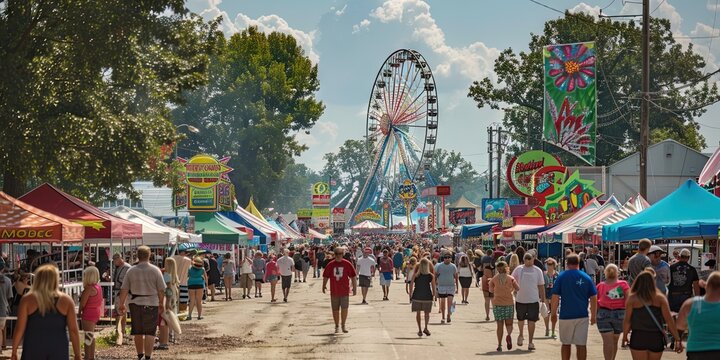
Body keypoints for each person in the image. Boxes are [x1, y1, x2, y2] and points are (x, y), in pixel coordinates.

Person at [12, 264, 81, 360]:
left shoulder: (27, 299)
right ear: (56, 280)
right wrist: (78, 354)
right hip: (58, 348)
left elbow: (19, 328)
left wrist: (14, 350)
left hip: (33, 347)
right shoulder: (66, 301)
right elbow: (73, 330)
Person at [117, 246, 166, 360]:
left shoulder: (131, 270)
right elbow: (161, 290)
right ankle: (148, 356)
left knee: (137, 330)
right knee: (150, 331)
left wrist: (121, 303)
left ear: (137, 256)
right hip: (152, 302)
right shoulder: (155, 270)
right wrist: (161, 303)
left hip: (135, 303)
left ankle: (140, 355)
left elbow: (124, 289)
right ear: (149, 255)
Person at [623, 271, 682, 359]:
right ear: (653, 282)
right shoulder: (660, 298)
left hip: (638, 336)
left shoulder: (632, 298)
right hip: (656, 337)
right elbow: (669, 320)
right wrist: (677, 338)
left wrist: (625, 336)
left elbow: (627, 320)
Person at [551, 254, 598, 360]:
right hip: (582, 315)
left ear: (567, 264)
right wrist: (593, 315)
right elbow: (594, 297)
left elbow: (555, 297)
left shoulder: (561, 277)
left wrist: (553, 313)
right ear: (579, 263)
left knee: (566, 344)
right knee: (581, 344)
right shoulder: (586, 277)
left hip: (565, 315)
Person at [676, 271, 720, 359]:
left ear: (707, 286)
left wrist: (678, 341)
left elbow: (680, 326)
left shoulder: (690, 304)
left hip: (696, 351)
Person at [511, 252, 545, 350]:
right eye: (527, 258)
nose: (528, 261)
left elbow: (541, 286)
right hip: (520, 299)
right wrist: (513, 290)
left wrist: (543, 299)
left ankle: (531, 342)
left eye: (530, 259)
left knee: (532, 321)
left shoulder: (538, 270)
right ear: (524, 259)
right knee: (520, 319)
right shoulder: (519, 269)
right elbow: (512, 280)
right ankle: (521, 335)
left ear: (533, 259)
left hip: (533, 300)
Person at [596, 264, 630, 360]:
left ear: (605, 273)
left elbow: (595, 301)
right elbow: (628, 300)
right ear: (617, 273)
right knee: (614, 341)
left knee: (607, 342)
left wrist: (595, 315)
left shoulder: (600, 286)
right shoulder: (623, 284)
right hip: (620, 315)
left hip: (603, 314)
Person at [322, 247, 357, 333]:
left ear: (343, 254)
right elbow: (326, 276)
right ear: (334, 255)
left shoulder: (347, 264)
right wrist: (323, 285)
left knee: (345, 309)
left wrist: (355, 288)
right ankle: (337, 325)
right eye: (337, 254)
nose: (338, 256)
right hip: (334, 291)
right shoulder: (330, 264)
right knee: (335, 310)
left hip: (345, 291)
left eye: (340, 254)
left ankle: (343, 325)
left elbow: (353, 276)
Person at [490, 261, 520, 352]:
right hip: (509, 303)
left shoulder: (494, 279)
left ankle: (499, 344)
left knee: (499, 325)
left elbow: (491, 290)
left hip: (497, 303)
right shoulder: (511, 278)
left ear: (498, 269)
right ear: (506, 268)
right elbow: (518, 288)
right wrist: (511, 290)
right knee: (509, 324)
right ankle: (509, 335)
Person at [79, 266, 103, 360]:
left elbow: (82, 303)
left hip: (88, 312)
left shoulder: (88, 288)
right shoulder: (98, 287)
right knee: (91, 335)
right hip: (96, 311)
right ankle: (91, 356)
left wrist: (79, 311)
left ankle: (87, 356)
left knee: (88, 336)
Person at [668, 248, 700, 312]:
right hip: (686, 296)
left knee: (674, 316)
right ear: (688, 258)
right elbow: (696, 286)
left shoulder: (671, 268)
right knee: (685, 317)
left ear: (679, 256)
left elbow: (667, 281)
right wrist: (698, 301)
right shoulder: (692, 269)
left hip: (673, 295)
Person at [410, 258, 436, 337]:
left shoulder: (416, 275)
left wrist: (410, 294)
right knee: (426, 313)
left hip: (417, 295)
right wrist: (434, 295)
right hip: (427, 296)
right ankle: (426, 327)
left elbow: (411, 285)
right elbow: (433, 286)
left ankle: (420, 330)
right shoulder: (431, 276)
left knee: (418, 313)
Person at [157, 257, 179, 351]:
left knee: (166, 318)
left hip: (168, 297)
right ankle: (172, 336)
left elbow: (167, 289)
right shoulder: (174, 275)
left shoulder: (166, 274)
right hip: (174, 295)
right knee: (172, 315)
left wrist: (167, 302)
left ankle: (168, 336)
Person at [110, 253, 131, 338]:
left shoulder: (127, 267)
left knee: (120, 312)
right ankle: (122, 331)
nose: (114, 263)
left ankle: (119, 332)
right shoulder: (118, 267)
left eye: (115, 260)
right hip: (119, 291)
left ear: (118, 259)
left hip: (122, 292)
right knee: (122, 312)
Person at [434, 253, 459, 324]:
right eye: (446, 257)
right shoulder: (439, 266)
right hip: (441, 286)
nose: (447, 259)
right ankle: (443, 317)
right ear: (443, 258)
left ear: (451, 258)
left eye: (449, 257)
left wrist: (457, 287)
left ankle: (449, 315)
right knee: (442, 302)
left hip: (451, 286)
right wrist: (435, 286)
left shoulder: (453, 266)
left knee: (450, 302)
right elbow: (435, 276)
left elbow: (456, 277)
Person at [543, 257, 559, 338]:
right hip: (546, 294)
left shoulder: (557, 274)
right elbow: (541, 285)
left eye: (550, 264)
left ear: (554, 265)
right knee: (546, 313)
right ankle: (547, 329)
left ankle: (553, 331)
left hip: (554, 294)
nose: (548, 266)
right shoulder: (544, 274)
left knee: (554, 313)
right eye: (547, 264)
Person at [481, 249, 495, 321]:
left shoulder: (483, 258)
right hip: (492, 280)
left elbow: (481, 269)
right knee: (493, 299)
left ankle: (487, 315)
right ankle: (495, 315)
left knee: (486, 300)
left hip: (485, 278)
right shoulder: (492, 260)